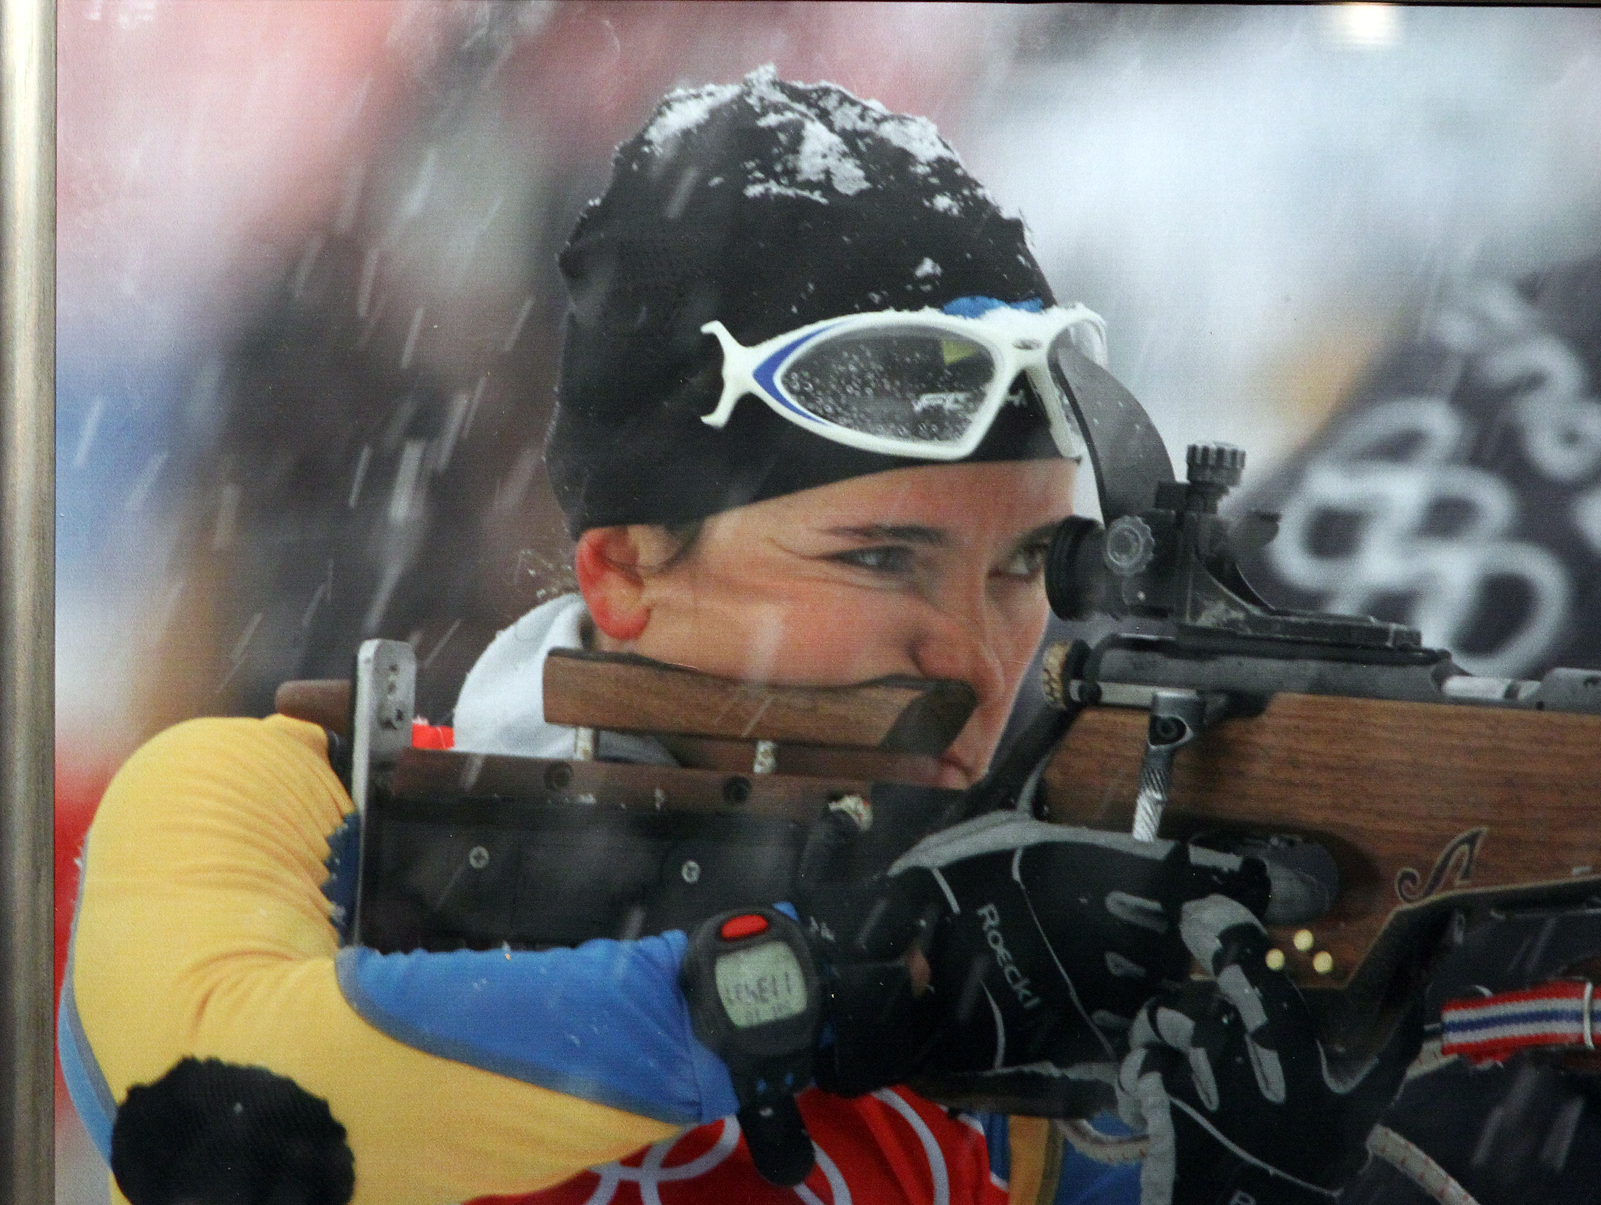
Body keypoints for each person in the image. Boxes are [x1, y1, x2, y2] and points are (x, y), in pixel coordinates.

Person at [60, 70, 1412, 1205]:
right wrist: (835, 983)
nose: (975, 654)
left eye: (1025, 568)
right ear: (626, 572)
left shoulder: (1039, 956)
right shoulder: (284, 801)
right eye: (881, 555)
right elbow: (211, 1111)